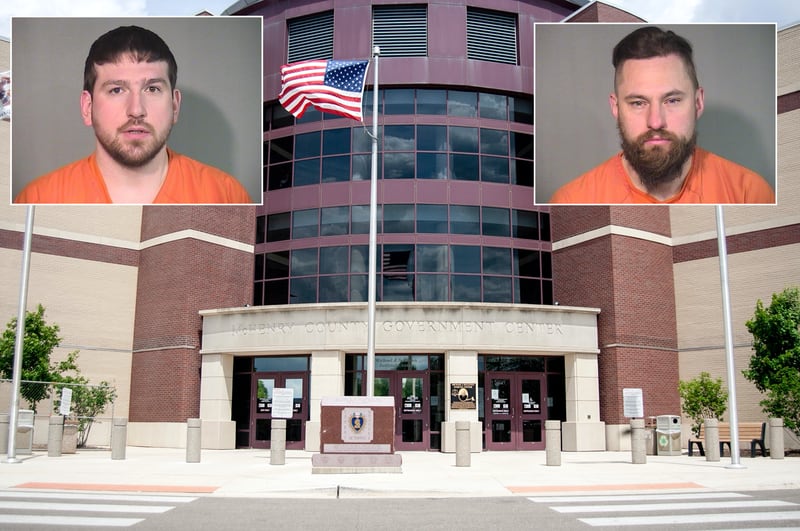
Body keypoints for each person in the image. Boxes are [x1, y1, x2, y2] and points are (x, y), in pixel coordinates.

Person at [14, 25, 252, 204]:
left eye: (152, 89)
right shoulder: (38, 197)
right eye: (116, 90)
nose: (136, 110)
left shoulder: (227, 195)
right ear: (87, 107)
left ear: (175, 106)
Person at [550, 26, 774, 204]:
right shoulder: (571, 200)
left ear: (698, 102)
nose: (655, 121)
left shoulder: (749, 192)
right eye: (638, 103)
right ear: (616, 108)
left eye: (672, 100)